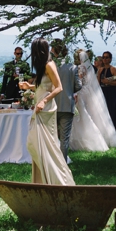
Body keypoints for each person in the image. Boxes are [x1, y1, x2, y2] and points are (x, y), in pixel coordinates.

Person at [19, 39, 75, 186]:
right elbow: (44, 87)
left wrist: (44, 101)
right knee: (35, 144)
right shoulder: (42, 66)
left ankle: (59, 180)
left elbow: (58, 87)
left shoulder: (50, 64)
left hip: (47, 109)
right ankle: (42, 180)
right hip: (40, 108)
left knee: (44, 145)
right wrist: (30, 87)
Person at [70, 49, 116, 151]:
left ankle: (89, 139)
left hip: (81, 92)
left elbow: (79, 81)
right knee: (90, 114)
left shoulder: (81, 68)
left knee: (83, 115)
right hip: (88, 91)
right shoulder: (89, 67)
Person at [50, 40, 81, 163]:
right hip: (67, 104)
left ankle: (52, 162)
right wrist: (69, 88)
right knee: (65, 138)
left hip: (52, 105)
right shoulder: (72, 67)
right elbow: (78, 86)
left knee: (51, 136)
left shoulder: (51, 67)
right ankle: (62, 163)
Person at [98, 51, 116, 130]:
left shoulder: (113, 69)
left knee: (112, 111)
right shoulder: (100, 69)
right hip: (103, 92)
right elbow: (98, 82)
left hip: (111, 92)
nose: (104, 59)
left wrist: (108, 82)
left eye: (106, 57)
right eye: (103, 57)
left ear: (110, 59)